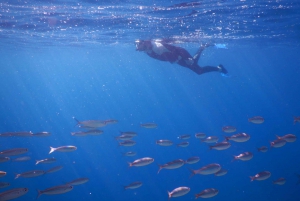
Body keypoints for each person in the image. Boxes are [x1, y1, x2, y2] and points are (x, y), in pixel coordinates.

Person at [135, 39, 228, 75]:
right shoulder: (147, 50)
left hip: (181, 55)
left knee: (197, 69)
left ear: (144, 43)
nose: (138, 49)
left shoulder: (157, 45)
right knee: (198, 70)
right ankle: (219, 68)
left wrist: (186, 58)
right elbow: (162, 57)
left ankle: (203, 48)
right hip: (177, 60)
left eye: (138, 45)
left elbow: (176, 49)